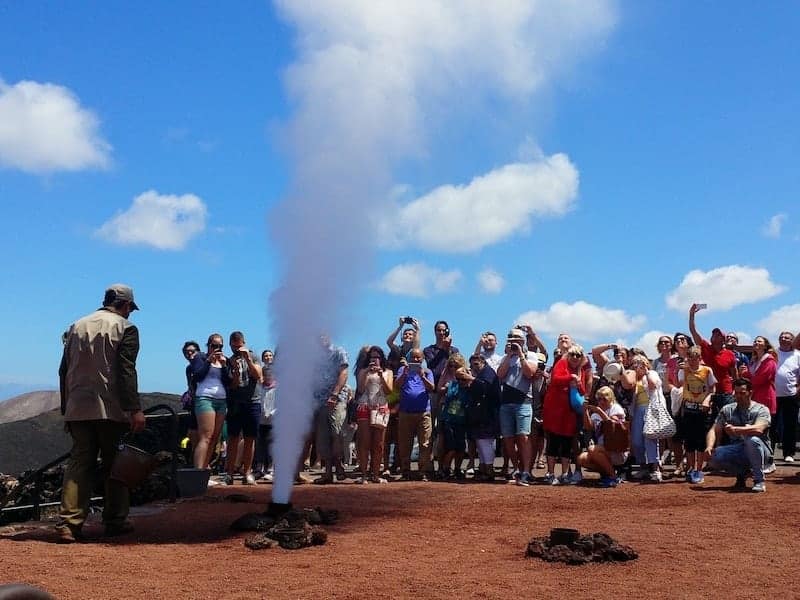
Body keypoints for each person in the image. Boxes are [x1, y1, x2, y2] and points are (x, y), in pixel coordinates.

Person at [55, 284, 146, 543]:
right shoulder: (125, 328)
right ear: (126, 305)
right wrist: (134, 409)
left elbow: (63, 370)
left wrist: (66, 407)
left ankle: (69, 524)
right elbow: (126, 370)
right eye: (130, 309)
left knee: (79, 463)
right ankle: (115, 520)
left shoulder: (76, 326)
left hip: (77, 405)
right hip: (110, 407)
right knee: (114, 463)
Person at [706, 378, 772, 492]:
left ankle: (759, 480)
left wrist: (737, 430)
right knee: (715, 457)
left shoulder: (761, 409)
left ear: (750, 393)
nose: (738, 396)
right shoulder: (728, 409)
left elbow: (759, 429)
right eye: (736, 393)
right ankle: (741, 474)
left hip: (761, 450)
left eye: (742, 393)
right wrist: (709, 446)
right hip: (738, 449)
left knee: (752, 440)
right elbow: (713, 429)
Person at [496, 328, 539, 486]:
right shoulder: (505, 358)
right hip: (506, 402)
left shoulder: (531, 355)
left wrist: (521, 355)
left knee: (523, 436)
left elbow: (529, 373)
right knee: (507, 438)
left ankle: (526, 470)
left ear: (522, 340)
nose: (512, 340)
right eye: (510, 337)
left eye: (515, 337)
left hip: (523, 401)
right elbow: (500, 375)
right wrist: (509, 355)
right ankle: (516, 468)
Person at [542, 344, 585, 485]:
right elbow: (555, 379)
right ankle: (550, 473)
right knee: (553, 442)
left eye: (578, 355)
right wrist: (570, 378)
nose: (575, 357)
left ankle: (565, 474)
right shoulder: (561, 364)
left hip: (569, 412)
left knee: (566, 443)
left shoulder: (580, 370)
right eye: (572, 354)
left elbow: (583, 391)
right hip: (555, 410)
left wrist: (577, 383)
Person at [223, 331, 263, 485]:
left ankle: (247, 472)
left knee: (249, 438)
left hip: (253, 401)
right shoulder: (229, 361)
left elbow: (258, 376)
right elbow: (232, 385)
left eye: (239, 346)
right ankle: (229, 473)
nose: (236, 350)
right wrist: (234, 370)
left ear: (244, 344)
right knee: (233, 438)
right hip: (236, 403)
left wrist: (248, 360)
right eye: (233, 347)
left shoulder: (253, 356)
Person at [189, 333, 231, 471]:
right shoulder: (200, 357)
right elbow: (198, 376)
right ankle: (198, 471)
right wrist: (208, 361)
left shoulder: (224, 360)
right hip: (205, 398)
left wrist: (224, 366)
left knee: (214, 438)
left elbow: (228, 381)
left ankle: (205, 470)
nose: (217, 348)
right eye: (214, 345)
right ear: (208, 345)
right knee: (205, 437)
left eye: (220, 346)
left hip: (221, 400)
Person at [312, 335, 349, 484]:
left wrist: (334, 394)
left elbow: (344, 373)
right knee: (323, 437)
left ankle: (339, 464)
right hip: (319, 401)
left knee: (337, 432)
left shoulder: (339, 352)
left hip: (336, 399)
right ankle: (328, 472)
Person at [676, 346, 716, 484]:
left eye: (695, 358)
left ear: (700, 358)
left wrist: (707, 400)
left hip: (702, 409)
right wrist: (678, 370)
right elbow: (679, 384)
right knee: (689, 441)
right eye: (690, 359)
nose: (693, 361)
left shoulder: (707, 370)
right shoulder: (684, 370)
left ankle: (699, 469)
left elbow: (712, 388)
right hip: (688, 409)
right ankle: (691, 468)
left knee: (700, 440)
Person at [689, 304, 737, 417]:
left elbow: (734, 374)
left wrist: (735, 390)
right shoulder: (706, 348)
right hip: (708, 392)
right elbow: (693, 331)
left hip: (726, 392)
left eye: (718, 334)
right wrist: (691, 315)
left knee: (727, 419)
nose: (714, 335)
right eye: (713, 334)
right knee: (709, 420)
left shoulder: (730, 354)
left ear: (723, 340)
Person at [395, 348, 435, 480]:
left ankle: (423, 471)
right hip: (405, 412)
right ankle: (405, 471)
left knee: (425, 443)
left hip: (423, 412)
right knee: (405, 443)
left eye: (418, 357)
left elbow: (431, 388)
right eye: (413, 357)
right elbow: (397, 385)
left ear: (422, 359)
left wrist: (422, 377)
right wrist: (404, 374)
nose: (416, 359)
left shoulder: (427, 372)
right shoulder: (402, 370)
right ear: (409, 358)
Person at [354, 346, 393, 483]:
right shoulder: (363, 371)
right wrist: (366, 372)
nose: (374, 360)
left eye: (377, 357)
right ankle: (364, 475)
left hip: (380, 408)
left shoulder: (388, 372)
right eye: (372, 357)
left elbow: (389, 391)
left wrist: (381, 375)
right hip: (364, 407)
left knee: (379, 444)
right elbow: (360, 389)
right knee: (364, 443)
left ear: (381, 358)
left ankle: (376, 475)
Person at [622, 356, 664, 482]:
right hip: (637, 411)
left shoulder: (652, 373)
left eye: (640, 363)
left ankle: (655, 469)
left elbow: (653, 385)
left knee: (651, 439)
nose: (637, 365)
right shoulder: (633, 378)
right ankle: (643, 467)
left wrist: (646, 372)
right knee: (636, 441)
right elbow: (626, 386)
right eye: (634, 363)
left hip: (651, 408)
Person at [577, 386, 626, 487]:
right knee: (582, 459)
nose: (602, 401)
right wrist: (585, 411)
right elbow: (588, 427)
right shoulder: (595, 414)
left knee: (592, 449)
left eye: (604, 399)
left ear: (611, 398)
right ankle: (607, 473)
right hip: (603, 450)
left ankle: (613, 477)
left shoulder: (616, 408)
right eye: (599, 399)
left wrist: (600, 412)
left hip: (617, 450)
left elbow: (612, 426)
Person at [466, 354, 501, 481]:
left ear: (483, 362)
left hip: (489, 414)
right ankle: (483, 468)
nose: (474, 367)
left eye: (476, 364)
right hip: (480, 414)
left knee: (485, 441)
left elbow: (485, 387)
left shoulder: (488, 372)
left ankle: (489, 469)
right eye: (472, 365)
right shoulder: (479, 374)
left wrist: (470, 378)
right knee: (480, 442)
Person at [740, 336, 777, 450]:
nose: (756, 342)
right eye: (755, 341)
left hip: (765, 397)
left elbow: (760, 379)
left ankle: (767, 455)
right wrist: (743, 373)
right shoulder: (753, 361)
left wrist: (747, 376)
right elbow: (749, 378)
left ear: (765, 345)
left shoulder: (770, 361)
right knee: (753, 429)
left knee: (764, 429)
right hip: (754, 398)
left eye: (759, 341)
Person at [775, 331, 800, 463]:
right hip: (773, 395)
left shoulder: (798, 355)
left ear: (792, 340)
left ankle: (788, 453)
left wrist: (798, 389)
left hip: (791, 395)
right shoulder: (773, 353)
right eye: (781, 337)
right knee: (771, 425)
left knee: (790, 425)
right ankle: (768, 453)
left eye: (787, 337)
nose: (783, 339)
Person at [181, 341, 201, 451]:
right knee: (193, 431)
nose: (189, 354)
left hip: (205, 401)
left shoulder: (204, 364)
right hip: (194, 403)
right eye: (186, 352)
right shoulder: (189, 369)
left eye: (192, 351)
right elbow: (190, 385)